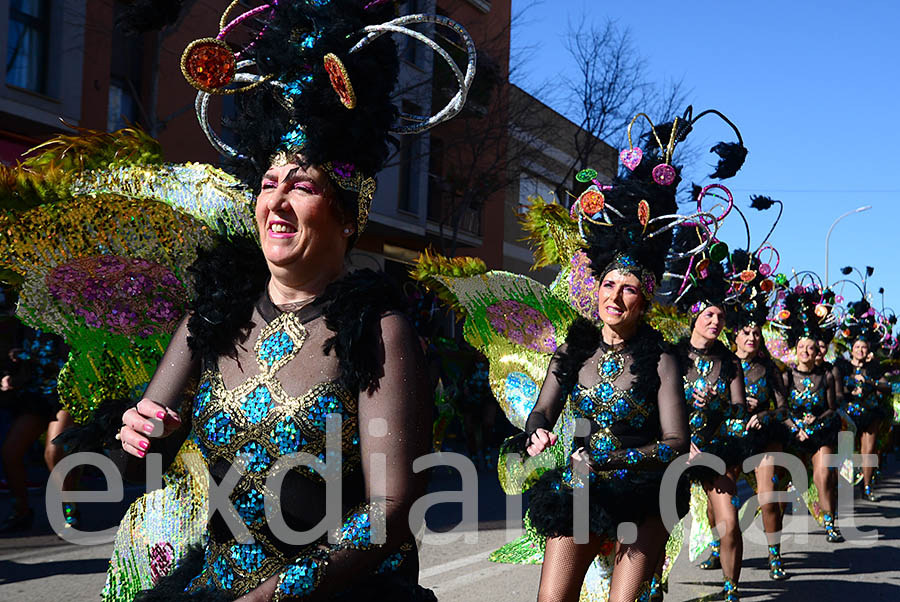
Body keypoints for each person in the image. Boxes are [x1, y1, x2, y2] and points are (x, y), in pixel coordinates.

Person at [107, 2, 476, 599]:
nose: (275, 202)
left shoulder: (379, 331)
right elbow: (137, 471)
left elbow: (390, 507)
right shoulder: (210, 319)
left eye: (301, 185)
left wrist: (278, 594)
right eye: (267, 183)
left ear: (348, 212)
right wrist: (138, 439)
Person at [521, 123, 695, 602]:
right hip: (581, 485)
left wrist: (609, 459)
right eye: (608, 286)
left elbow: (675, 444)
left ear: (644, 300)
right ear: (596, 289)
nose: (615, 297)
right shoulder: (573, 350)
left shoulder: (661, 360)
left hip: (645, 492)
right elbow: (543, 411)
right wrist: (537, 430)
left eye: (630, 289)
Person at [779, 289, 843, 543]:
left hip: (820, 431)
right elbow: (781, 408)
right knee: (781, 481)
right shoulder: (786, 376)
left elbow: (832, 408)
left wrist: (815, 424)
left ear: (818, 350)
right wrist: (796, 427)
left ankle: (830, 523)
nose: (805, 351)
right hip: (792, 431)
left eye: (810, 347)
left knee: (823, 474)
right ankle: (776, 531)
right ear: (795, 349)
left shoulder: (825, 375)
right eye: (801, 346)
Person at [0, 325, 72, 533]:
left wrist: (26, 357)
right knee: (10, 452)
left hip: (63, 395)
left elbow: (68, 360)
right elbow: (12, 358)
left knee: (54, 450)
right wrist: (8, 376)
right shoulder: (21, 322)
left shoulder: (61, 317)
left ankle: (69, 509)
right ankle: (21, 510)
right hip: (35, 398)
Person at [836, 299, 892, 501]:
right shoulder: (841, 366)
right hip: (847, 414)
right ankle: (840, 486)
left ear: (868, 349)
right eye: (857, 346)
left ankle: (867, 487)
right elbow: (835, 387)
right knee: (843, 450)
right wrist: (849, 383)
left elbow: (887, 385)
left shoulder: (874, 367)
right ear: (851, 348)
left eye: (864, 347)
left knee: (869, 450)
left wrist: (871, 382)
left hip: (870, 413)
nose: (860, 350)